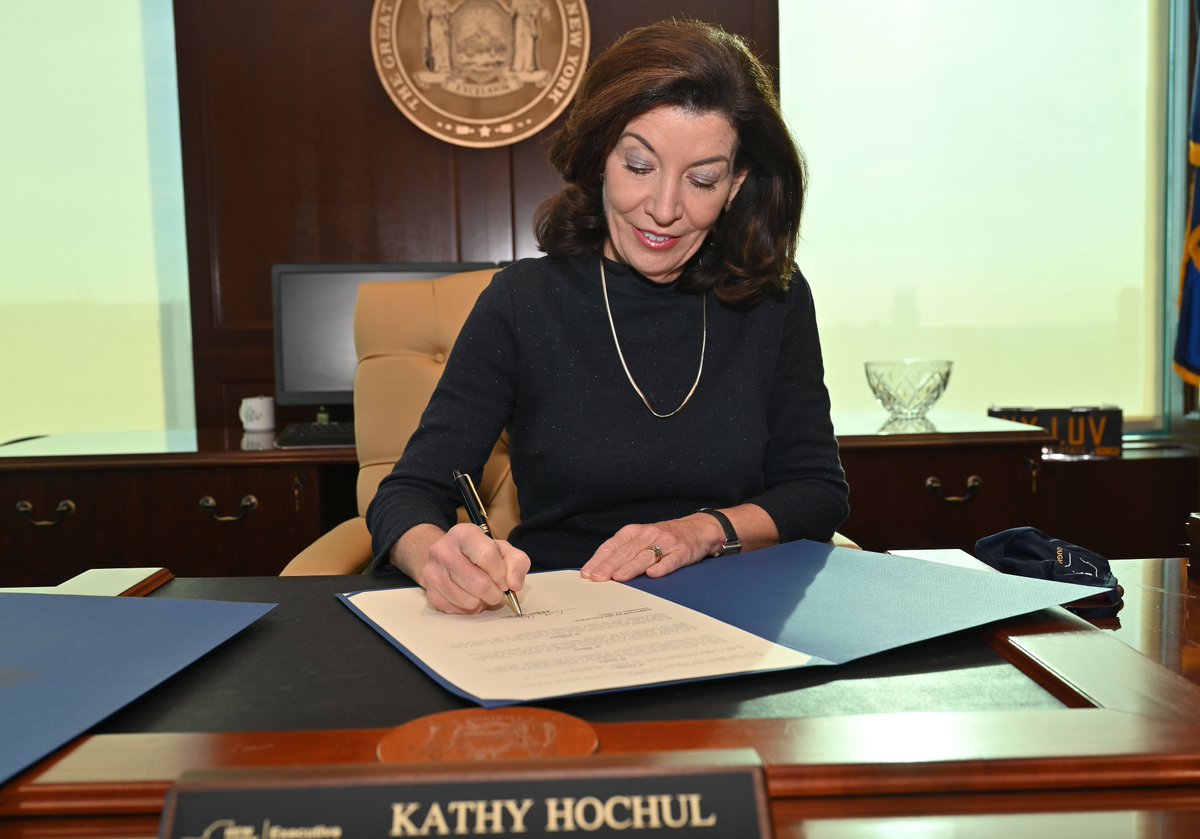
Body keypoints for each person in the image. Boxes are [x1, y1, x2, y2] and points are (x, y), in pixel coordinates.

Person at [366, 18, 849, 614]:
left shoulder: (774, 299)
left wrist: (697, 532)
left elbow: (817, 492)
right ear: (600, 158)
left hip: (733, 606)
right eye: (640, 167)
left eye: (702, 179)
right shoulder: (523, 302)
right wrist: (435, 553)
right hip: (561, 607)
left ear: (736, 184)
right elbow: (410, 492)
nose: (665, 209)